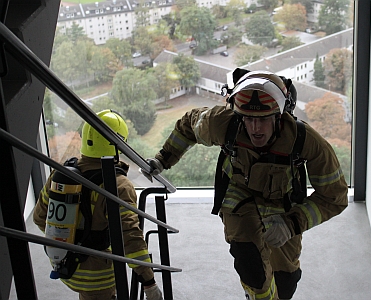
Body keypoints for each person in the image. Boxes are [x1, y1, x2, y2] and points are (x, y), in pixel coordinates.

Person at [144, 69, 348, 299]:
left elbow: (335, 197)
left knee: (286, 280)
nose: (255, 129)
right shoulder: (223, 123)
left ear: (279, 117)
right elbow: (188, 126)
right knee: (251, 266)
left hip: (284, 206)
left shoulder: (305, 141)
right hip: (239, 198)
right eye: (248, 119)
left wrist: (292, 224)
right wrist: (163, 159)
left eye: (262, 119)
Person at [33, 109, 163, 300]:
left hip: (65, 265)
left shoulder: (61, 173)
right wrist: (149, 282)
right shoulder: (119, 185)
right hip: (98, 276)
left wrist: (69, 241)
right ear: (118, 144)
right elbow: (130, 237)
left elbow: (39, 217)